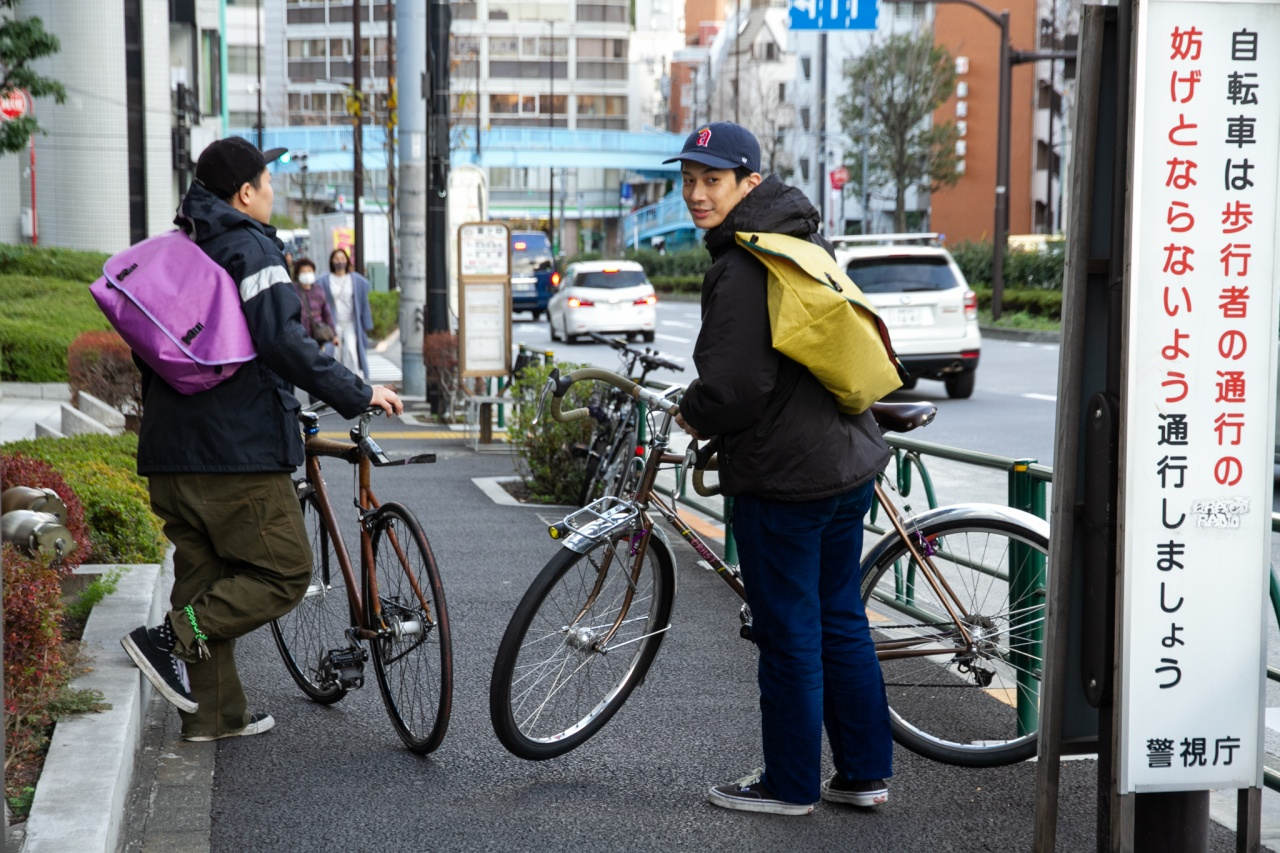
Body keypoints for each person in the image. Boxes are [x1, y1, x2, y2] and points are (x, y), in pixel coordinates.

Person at [120, 136, 403, 742]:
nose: (273, 191)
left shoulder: (183, 246)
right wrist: (358, 391)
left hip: (170, 453)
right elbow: (283, 342)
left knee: (202, 579)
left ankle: (212, 719)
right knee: (283, 573)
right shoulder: (250, 248)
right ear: (245, 193)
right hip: (235, 455)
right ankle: (168, 637)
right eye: (267, 183)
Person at [666, 122, 894, 816]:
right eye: (689, 181)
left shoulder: (741, 264)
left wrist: (695, 412)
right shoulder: (801, 239)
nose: (698, 194)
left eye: (713, 180)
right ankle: (863, 773)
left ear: (749, 183)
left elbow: (737, 385)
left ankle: (789, 784)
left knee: (789, 627)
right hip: (845, 461)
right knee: (838, 616)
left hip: (786, 477)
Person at [316, 247, 374, 380]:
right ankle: (334, 380)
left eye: (342, 258)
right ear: (331, 261)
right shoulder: (324, 280)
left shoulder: (357, 281)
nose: (339, 261)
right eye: (336, 258)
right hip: (332, 323)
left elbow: (363, 303)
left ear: (347, 261)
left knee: (352, 351)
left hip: (351, 322)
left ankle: (353, 381)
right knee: (334, 352)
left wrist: (366, 325)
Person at [292, 257, 339, 356]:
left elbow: (327, 314)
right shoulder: (292, 291)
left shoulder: (319, 290)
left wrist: (334, 335)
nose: (307, 274)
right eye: (303, 272)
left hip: (318, 335)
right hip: (299, 335)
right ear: (298, 274)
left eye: (309, 271)